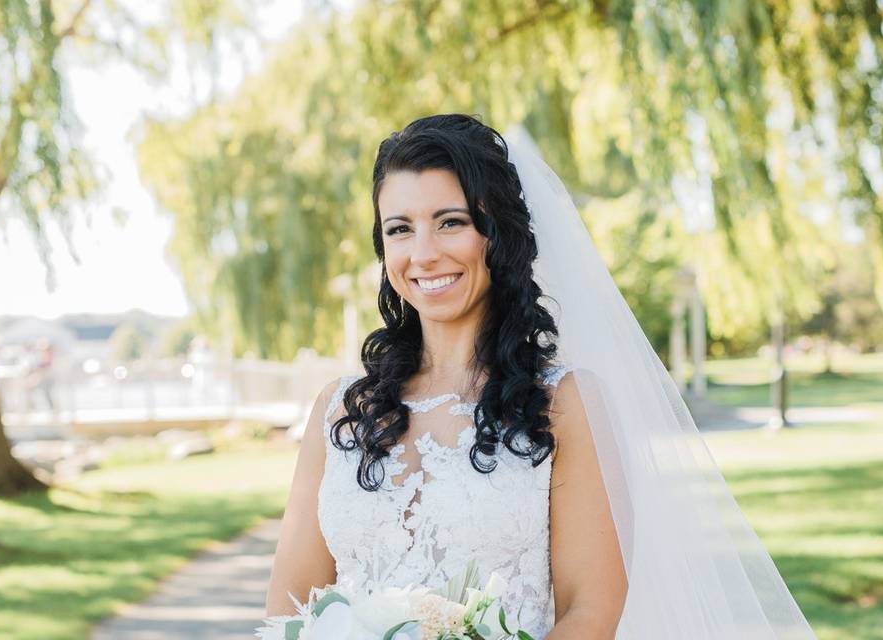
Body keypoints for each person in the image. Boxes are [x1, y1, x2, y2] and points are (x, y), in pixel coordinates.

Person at [266, 114, 815, 638]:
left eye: (451, 222)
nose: (424, 253)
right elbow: (288, 610)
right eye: (400, 229)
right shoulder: (340, 410)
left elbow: (590, 613)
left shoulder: (566, 403)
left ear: (496, 233)